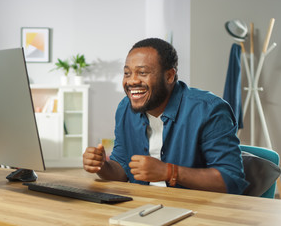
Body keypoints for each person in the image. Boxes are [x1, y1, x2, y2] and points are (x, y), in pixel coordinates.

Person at [83, 38, 248, 194]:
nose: (132, 81)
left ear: (169, 76)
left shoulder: (210, 110)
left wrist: (169, 172)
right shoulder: (125, 108)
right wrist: (102, 166)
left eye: (142, 73)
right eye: (127, 73)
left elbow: (231, 180)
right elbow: (122, 170)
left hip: (196, 210)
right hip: (142, 207)